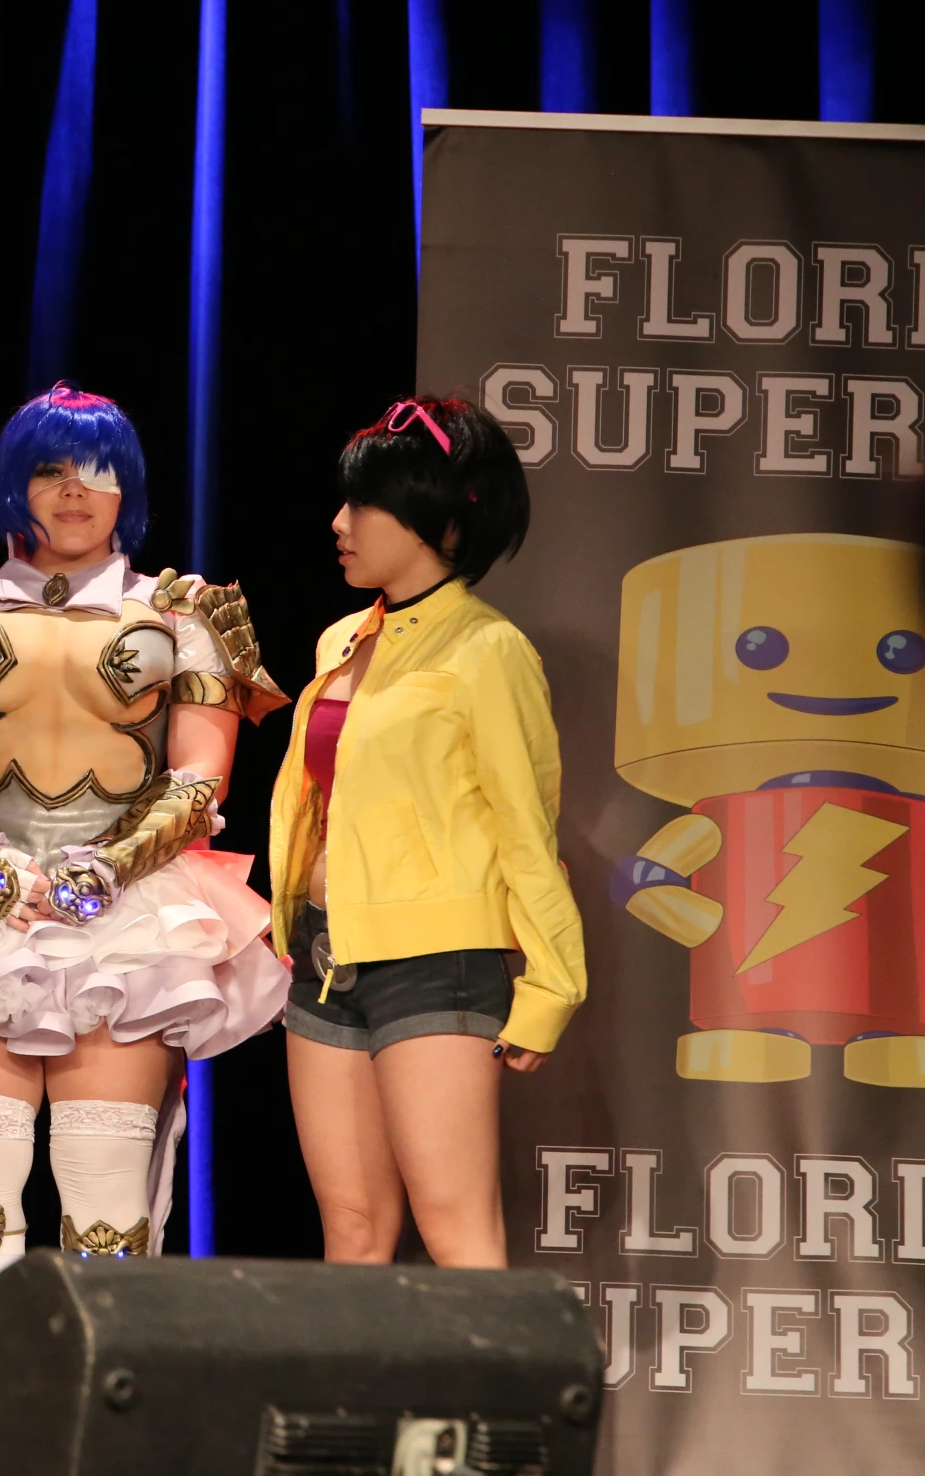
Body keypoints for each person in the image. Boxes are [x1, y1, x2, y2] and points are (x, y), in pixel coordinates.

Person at [0, 382, 289, 1309]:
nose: (76, 489)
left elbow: (203, 779)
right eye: (50, 469)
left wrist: (106, 866)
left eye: (99, 470)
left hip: (133, 914)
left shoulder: (184, 611)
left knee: (107, 1212)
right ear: (13, 486)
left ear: (131, 489)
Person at [266, 396, 586, 1268]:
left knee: (457, 1230)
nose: (340, 523)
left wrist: (553, 983)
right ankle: (350, 1409)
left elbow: (529, 824)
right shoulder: (341, 640)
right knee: (354, 1229)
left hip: (438, 956)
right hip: (325, 954)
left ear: (438, 521)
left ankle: (485, 1410)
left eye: (363, 504)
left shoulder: (489, 650)